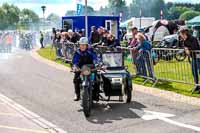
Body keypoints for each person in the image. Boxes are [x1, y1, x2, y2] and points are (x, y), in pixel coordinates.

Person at [72, 37, 98, 101]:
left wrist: (98, 64)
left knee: (97, 80)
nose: (82, 46)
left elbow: (96, 58)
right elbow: (74, 61)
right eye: (81, 45)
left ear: (87, 45)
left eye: (84, 45)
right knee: (76, 80)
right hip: (80, 68)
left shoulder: (90, 50)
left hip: (91, 68)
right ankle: (77, 94)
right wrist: (75, 67)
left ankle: (95, 94)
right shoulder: (77, 52)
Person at [179, 28, 200, 93]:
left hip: (198, 56)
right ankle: (196, 85)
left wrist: (188, 49)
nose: (180, 35)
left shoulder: (193, 38)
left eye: (181, 34)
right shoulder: (184, 40)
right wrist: (185, 48)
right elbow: (182, 46)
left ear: (184, 33)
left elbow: (195, 47)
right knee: (194, 72)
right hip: (193, 57)